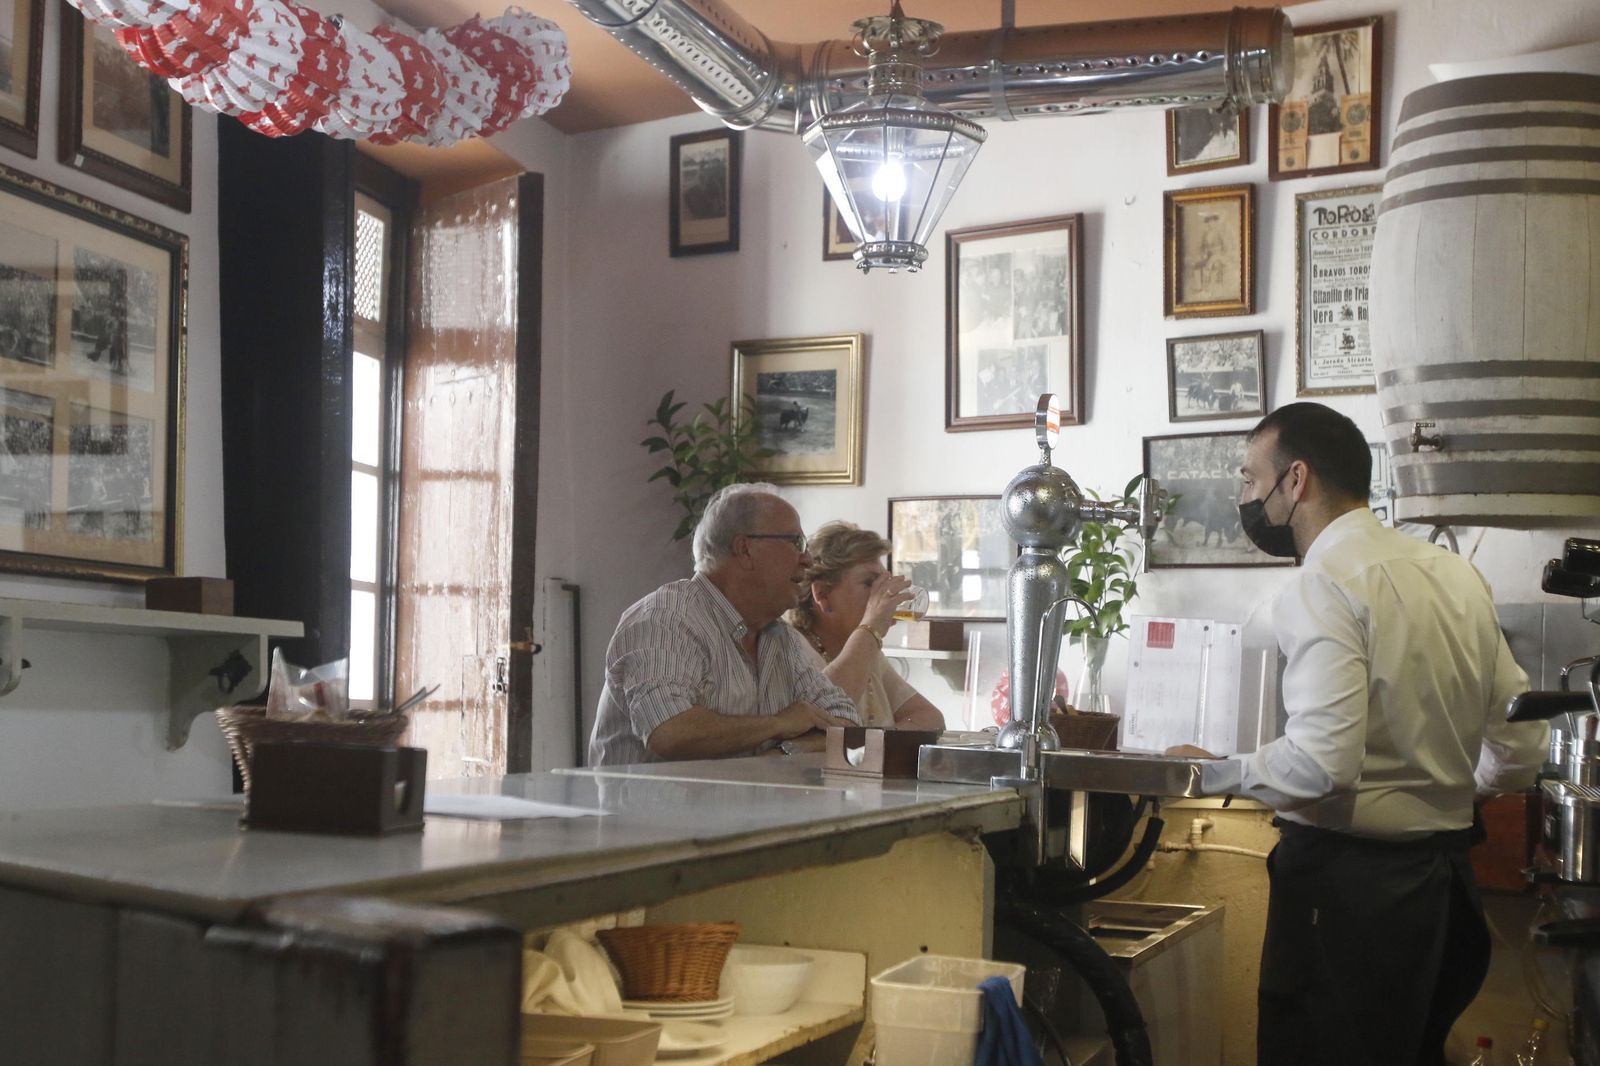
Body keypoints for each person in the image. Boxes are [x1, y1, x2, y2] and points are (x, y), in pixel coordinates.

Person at [1165, 402, 1547, 1066]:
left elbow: (1321, 767)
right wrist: (1449, 791)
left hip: (1351, 903)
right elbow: (1521, 747)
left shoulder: (1323, 584)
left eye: (1251, 479)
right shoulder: (1454, 575)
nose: (1244, 497)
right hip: (1446, 894)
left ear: (1297, 480)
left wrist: (1211, 772)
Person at [588, 483, 860, 766]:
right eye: (796, 542)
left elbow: (846, 724)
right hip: (644, 810)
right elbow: (669, 732)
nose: (807, 559)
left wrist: (783, 751)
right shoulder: (665, 619)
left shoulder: (780, 637)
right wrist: (779, 723)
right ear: (745, 549)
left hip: (746, 809)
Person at [786, 522, 946, 732]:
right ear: (823, 594)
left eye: (883, 582)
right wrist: (872, 625)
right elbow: (827, 710)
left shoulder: (869, 652)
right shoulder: (791, 650)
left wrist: (873, 745)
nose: (884, 594)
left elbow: (931, 719)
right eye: (870, 583)